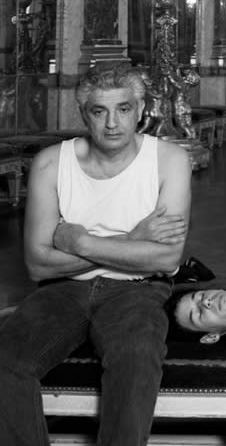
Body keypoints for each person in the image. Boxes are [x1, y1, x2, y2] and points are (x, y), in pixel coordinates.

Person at [0, 64, 193, 445]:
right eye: (99, 111)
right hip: (61, 289)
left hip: (138, 289)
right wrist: (132, 239)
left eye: (123, 109)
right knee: (5, 362)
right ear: (83, 114)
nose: (112, 123)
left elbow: (165, 259)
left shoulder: (168, 159)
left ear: (140, 110)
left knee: (136, 356)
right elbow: (38, 264)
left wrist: (81, 243)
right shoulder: (52, 162)